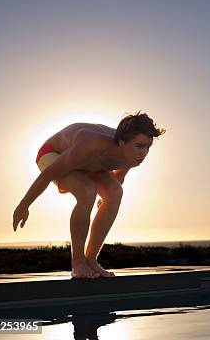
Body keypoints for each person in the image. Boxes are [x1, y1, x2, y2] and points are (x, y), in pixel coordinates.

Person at [12, 111, 165, 278]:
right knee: (87, 191)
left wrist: (105, 201)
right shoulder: (90, 144)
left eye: (148, 146)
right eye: (139, 146)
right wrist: (24, 205)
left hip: (89, 163)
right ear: (122, 143)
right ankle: (78, 264)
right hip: (52, 153)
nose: (144, 153)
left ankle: (91, 260)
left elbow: (117, 179)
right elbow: (47, 175)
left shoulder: (132, 156)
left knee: (115, 192)